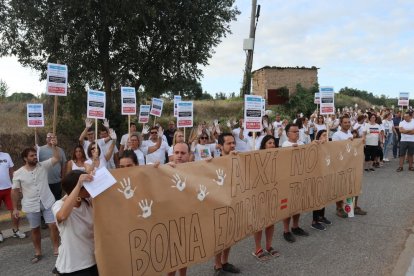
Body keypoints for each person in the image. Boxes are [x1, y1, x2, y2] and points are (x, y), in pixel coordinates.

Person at [12, 143, 60, 263]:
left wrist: (54, 146)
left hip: (47, 201)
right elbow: (14, 192)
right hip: (30, 204)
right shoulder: (18, 173)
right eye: (32, 156)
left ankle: (56, 248)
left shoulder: (43, 166)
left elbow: (56, 158)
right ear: (25, 158)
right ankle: (38, 252)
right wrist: (15, 208)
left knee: (53, 225)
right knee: (35, 229)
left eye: (35, 155)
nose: (35, 157)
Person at [52, 170, 98, 275]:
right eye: (86, 186)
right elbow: (62, 216)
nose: (89, 188)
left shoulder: (88, 202)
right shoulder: (58, 205)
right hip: (74, 267)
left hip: (93, 260)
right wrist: (78, 185)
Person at [214, 133, 240, 275]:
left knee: (229, 234)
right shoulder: (213, 163)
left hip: (233, 202)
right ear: (220, 146)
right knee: (219, 236)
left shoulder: (238, 158)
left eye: (233, 143)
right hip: (218, 204)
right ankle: (217, 265)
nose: (232, 146)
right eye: (228, 143)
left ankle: (225, 262)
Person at [252, 135, 280, 261]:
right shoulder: (256, 157)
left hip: (272, 193)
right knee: (259, 222)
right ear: (264, 145)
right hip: (259, 194)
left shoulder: (278, 156)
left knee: (270, 220)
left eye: (274, 143)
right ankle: (258, 249)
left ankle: (269, 246)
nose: (272, 145)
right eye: (269, 143)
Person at [332, 116, 367, 216]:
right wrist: (347, 142)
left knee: (354, 185)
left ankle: (354, 207)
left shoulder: (350, 133)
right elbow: (335, 150)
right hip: (342, 165)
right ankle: (339, 208)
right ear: (340, 124)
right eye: (345, 122)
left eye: (348, 122)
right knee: (341, 187)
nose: (347, 124)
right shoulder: (336, 135)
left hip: (352, 163)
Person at [281, 123, 309, 243]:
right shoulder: (285, 145)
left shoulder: (302, 143)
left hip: (300, 177)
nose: (297, 133)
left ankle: (295, 226)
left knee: (298, 204)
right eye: (294, 132)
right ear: (288, 134)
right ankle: (286, 230)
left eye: (298, 131)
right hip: (289, 180)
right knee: (288, 206)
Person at [0, 143, 25, 242]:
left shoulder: (6, 155)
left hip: (8, 189)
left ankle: (16, 230)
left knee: (15, 210)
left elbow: (11, 172)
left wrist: (17, 185)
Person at [310, 130, 332, 230]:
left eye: (327, 135)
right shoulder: (315, 145)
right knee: (317, 197)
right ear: (318, 137)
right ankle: (314, 221)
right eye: (323, 135)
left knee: (324, 196)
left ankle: (321, 217)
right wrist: (314, 143)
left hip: (325, 174)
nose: (326, 137)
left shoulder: (328, 146)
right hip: (316, 176)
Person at [38, 132, 67, 201]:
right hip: (44, 181)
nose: (51, 138)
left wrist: (62, 178)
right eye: (49, 137)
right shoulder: (40, 150)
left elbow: (63, 164)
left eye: (53, 137)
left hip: (57, 181)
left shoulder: (60, 150)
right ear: (46, 139)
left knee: (57, 200)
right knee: (46, 201)